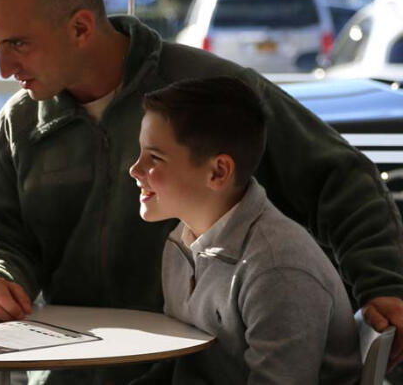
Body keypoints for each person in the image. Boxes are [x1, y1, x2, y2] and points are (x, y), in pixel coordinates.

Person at [0, 0, 403, 382]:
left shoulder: (212, 94)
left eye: (18, 43)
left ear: (81, 27)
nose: (3, 67)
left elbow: (339, 177)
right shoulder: (14, 128)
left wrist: (382, 284)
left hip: (191, 374)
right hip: (64, 374)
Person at [128, 77, 360, 384]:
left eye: (155, 157)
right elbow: (184, 367)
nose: (135, 169)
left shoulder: (277, 269)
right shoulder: (182, 243)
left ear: (218, 172)